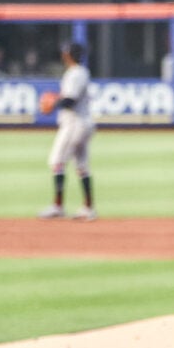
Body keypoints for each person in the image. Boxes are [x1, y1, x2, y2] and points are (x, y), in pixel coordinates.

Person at [38, 42, 96, 220]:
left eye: (66, 52)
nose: (64, 55)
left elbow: (70, 101)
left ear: (70, 55)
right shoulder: (82, 72)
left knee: (57, 162)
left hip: (74, 124)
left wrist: (53, 102)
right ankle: (88, 208)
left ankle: (58, 206)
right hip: (84, 123)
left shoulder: (75, 74)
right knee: (82, 166)